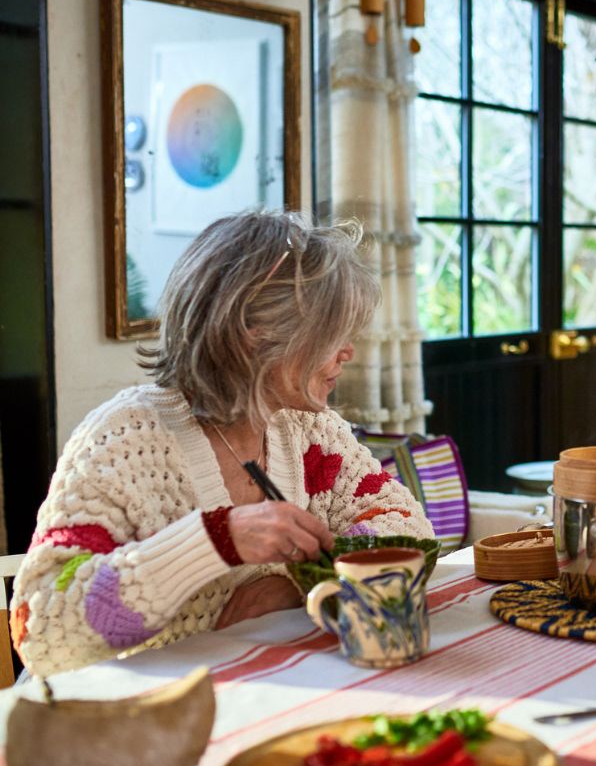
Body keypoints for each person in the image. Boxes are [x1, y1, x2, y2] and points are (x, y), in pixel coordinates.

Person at [11, 211, 433, 676]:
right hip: (134, 717)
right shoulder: (124, 441)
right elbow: (44, 630)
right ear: (255, 336)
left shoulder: (310, 428)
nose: (348, 350)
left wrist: (298, 586)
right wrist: (214, 541)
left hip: (267, 690)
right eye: (331, 334)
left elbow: (408, 527)